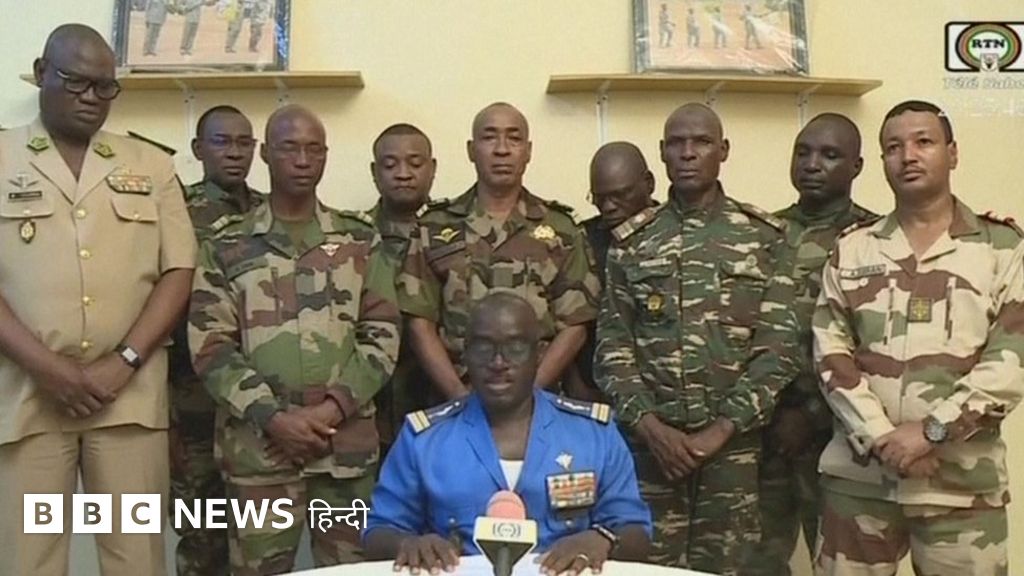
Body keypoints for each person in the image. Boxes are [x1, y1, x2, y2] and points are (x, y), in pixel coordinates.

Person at [0, 24, 196, 576]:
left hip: (127, 401)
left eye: (105, 87)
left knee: (137, 560)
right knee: (29, 561)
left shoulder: (152, 165)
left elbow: (179, 270)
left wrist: (124, 361)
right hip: (27, 398)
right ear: (41, 73)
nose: (91, 97)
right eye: (75, 82)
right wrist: (49, 368)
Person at [813, 100, 1024, 575]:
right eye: (893, 147)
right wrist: (882, 437)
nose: (907, 156)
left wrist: (931, 432)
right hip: (860, 483)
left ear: (953, 153)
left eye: (923, 142)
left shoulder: (1003, 248)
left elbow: (1011, 359)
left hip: (961, 488)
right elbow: (830, 353)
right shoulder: (853, 248)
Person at [189, 105, 401, 573]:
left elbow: (382, 335)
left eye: (314, 149)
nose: (303, 160)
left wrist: (330, 411)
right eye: (289, 148)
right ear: (266, 154)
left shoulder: (359, 240)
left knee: (352, 572)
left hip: (344, 452)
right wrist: (275, 418)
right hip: (259, 453)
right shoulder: (226, 243)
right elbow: (211, 346)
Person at [596, 103, 800, 576]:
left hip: (735, 455)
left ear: (723, 151)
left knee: (731, 568)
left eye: (702, 142)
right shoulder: (632, 242)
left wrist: (720, 431)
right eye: (677, 143)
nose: (688, 153)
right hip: (651, 454)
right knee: (646, 569)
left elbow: (779, 349)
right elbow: (612, 349)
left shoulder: (764, 238)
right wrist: (652, 429)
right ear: (662, 153)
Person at [365, 292, 652, 576]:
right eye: (483, 347)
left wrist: (603, 540)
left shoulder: (593, 434)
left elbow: (636, 531)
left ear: (538, 354)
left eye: (515, 347)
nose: (498, 362)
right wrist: (407, 543)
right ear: (465, 354)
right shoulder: (424, 439)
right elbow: (378, 531)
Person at [747, 113, 877, 576]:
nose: (812, 164)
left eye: (829, 155)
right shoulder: (763, 233)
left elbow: (879, 348)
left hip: (839, 436)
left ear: (857, 166)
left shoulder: (874, 241)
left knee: (844, 563)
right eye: (802, 152)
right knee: (755, 562)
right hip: (763, 431)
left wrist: (811, 415)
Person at [400, 102, 600, 401]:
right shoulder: (434, 226)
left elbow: (576, 324)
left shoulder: (562, 229)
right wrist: (458, 396)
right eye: (489, 137)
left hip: (538, 401)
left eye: (514, 138)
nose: (502, 150)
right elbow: (419, 322)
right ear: (471, 150)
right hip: (454, 399)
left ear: (528, 151)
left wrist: (528, 395)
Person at [169, 105, 263, 576]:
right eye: (222, 142)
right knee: (202, 533)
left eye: (244, 143)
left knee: (256, 534)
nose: (234, 153)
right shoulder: (174, 212)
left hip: (258, 404)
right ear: (198, 149)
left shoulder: (272, 210)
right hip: (195, 406)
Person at [366, 123, 436, 451]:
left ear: (432, 169)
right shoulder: (351, 237)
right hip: (370, 405)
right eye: (390, 165)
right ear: (374, 172)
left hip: (441, 396)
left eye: (415, 163)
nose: (403, 174)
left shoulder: (455, 232)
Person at [569, 142, 656, 402]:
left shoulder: (677, 234)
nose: (608, 207)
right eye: (599, 198)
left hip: (662, 396)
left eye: (620, 195)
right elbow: (565, 320)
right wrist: (576, 388)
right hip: (592, 393)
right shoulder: (582, 240)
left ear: (649, 184)